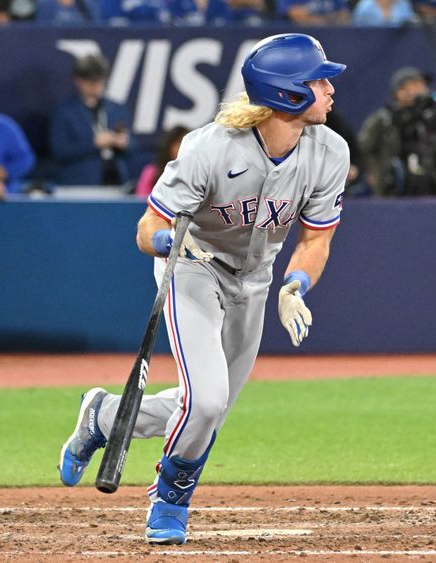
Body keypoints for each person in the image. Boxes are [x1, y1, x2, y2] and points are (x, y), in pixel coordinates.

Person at [57, 33, 348, 545]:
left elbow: (317, 238)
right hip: (194, 267)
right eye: (318, 80)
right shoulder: (210, 148)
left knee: (209, 408)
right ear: (287, 94)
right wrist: (168, 240)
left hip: (256, 279)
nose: (329, 89)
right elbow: (147, 228)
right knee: (206, 401)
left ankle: (103, 415)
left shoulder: (330, 152)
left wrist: (296, 285)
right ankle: (170, 501)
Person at [357, 66, 436, 197]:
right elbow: (363, 147)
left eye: (423, 85)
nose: (422, 89)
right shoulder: (384, 119)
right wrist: (376, 173)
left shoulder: (429, 119)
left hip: (430, 192)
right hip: (394, 191)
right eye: (415, 84)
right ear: (400, 91)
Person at [49, 54, 137, 187]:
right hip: (80, 183)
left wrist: (124, 142)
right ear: (79, 81)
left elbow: (133, 145)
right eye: (91, 82)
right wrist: (94, 143)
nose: (96, 87)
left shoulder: (117, 109)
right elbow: (59, 151)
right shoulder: (65, 112)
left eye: (100, 81)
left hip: (117, 181)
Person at [134, 125, 189, 197]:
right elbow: (142, 201)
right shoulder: (151, 172)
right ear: (168, 146)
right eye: (177, 143)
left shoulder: (198, 174)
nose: (181, 147)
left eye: (185, 142)